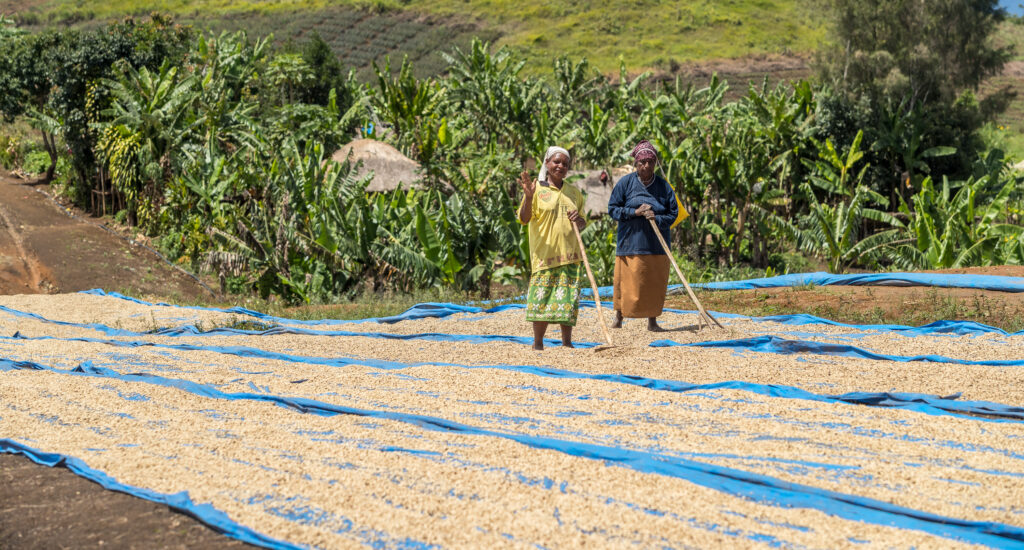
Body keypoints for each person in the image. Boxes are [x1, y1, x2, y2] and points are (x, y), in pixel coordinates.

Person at [518, 146, 587, 350]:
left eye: (565, 164)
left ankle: (567, 343)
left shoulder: (574, 193)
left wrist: (579, 220)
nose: (561, 166)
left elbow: (582, 224)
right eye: (556, 162)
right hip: (544, 255)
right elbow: (524, 218)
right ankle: (538, 344)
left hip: (570, 255)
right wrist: (529, 198)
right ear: (547, 164)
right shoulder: (536, 190)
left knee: (568, 301)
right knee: (542, 301)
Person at [607, 139, 678, 331]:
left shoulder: (663, 187)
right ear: (636, 163)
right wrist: (634, 213)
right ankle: (619, 317)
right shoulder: (625, 183)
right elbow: (613, 209)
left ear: (655, 163)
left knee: (654, 283)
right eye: (642, 162)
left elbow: (673, 213)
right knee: (626, 283)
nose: (646, 165)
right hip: (630, 243)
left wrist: (656, 216)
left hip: (656, 244)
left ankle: (652, 321)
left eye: (650, 162)